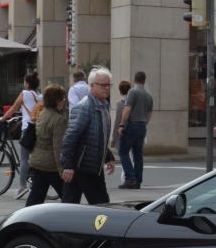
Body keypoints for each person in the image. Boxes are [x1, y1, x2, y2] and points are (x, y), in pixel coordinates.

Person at [60, 67, 117, 204]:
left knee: (71, 206)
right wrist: (68, 165)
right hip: (82, 166)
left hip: (93, 166)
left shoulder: (103, 105)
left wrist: (108, 156)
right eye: (102, 85)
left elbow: (98, 135)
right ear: (91, 86)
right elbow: (70, 136)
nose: (107, 88)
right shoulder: (85, 106)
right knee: (101, 206)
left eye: (108, 85)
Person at [24, 84, 69, 206]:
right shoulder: (58, 120)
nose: (64, 101)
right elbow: (58, 147)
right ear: (57, 101)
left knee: (35, 199)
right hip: (51, 166)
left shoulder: (42, 113)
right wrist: (62, 170)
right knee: (68, 197)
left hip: (37, 162)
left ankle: (26, 220)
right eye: (63, 98)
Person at [0, 73, 42, 198]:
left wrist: (2, 118)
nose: (23, 84)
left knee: (24, 159)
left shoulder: (25, 93)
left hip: (28, 129)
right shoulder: (40, 96)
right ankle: (35, 183)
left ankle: (22, 186)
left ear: (27, 84)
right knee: (35, 158)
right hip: (39, 128)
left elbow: (13, 108)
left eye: (24, 82)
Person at [117, 70, 154, 190]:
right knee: (138, 154)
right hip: (142, 126)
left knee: (123, 152)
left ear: (134, 80)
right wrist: (144, 124)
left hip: (132, 124)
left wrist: (121, 125)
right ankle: (137, 180)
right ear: (144, 80)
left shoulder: (132, 92)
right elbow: (149, 114)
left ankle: (130, 178)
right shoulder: (149, 95)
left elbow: (127, 109)